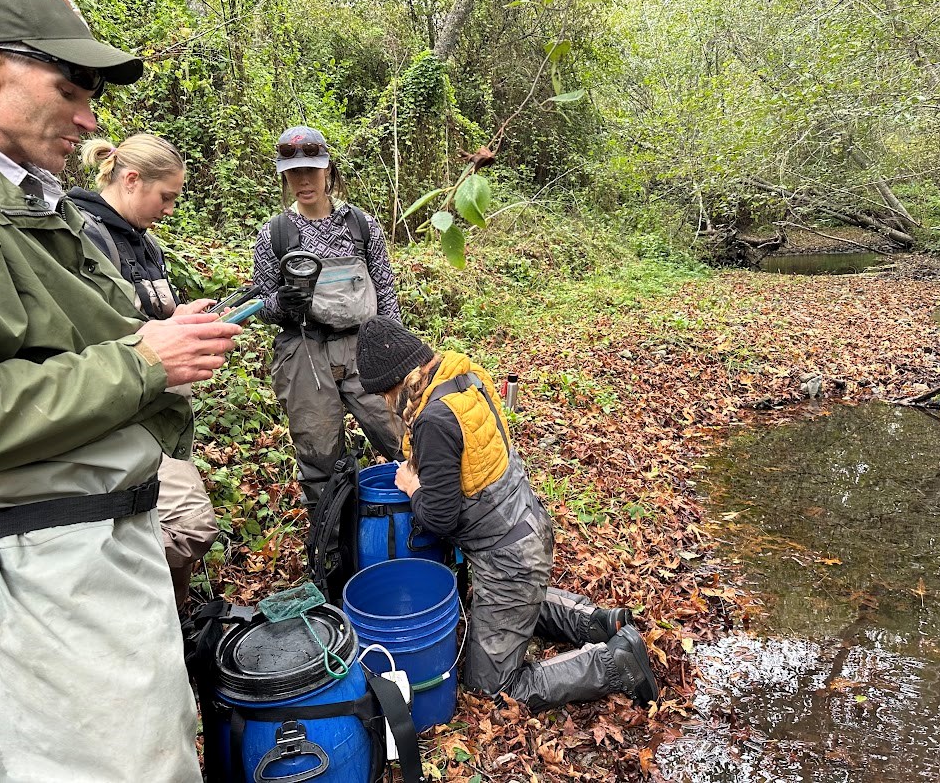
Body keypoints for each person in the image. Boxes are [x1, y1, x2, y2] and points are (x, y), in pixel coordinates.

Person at [0, 0, 241, 781]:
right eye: (69, 87)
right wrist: (142, 363)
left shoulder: (14, 189)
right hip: (46, 571)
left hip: (97, 546)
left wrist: (158, 345)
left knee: (155, 756)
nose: (88, 117)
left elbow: (51, 348)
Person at [355, 316, 659, 711]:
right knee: (509, 600)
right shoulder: (463, 379)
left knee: (491, 687)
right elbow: (468, 463)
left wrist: (413, 488)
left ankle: (615, 663)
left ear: (398, 383)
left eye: (382, 395)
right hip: (526, 525)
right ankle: (600, 623)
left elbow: (440, 518)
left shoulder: (432, 419)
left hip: (510, 558)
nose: (383, 405)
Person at [69, 134, 219, 607]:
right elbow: (86, 333)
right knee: (190, 524)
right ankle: (103, 591)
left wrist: (184, 322)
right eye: (166, 197)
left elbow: (148, 321)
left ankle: (171, 629)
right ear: (131, 179)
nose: (170, 209)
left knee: (163, 520)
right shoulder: (84, 235)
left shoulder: (145, 243)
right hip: (118, 417)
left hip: (157, 412)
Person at [252, 126, 403, 522]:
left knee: (404, 437)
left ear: (328, 171)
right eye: (293, 172)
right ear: (283, 175)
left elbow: (385, 288)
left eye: (311, 171)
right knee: (320, 459)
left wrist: (394, 347)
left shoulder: (361, 225)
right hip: (304, 352)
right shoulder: (274, 234)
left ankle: (419, 522)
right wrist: (281, 303)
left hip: (364, 346)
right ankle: (332, 549)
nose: (303, 181)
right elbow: (263, 306)